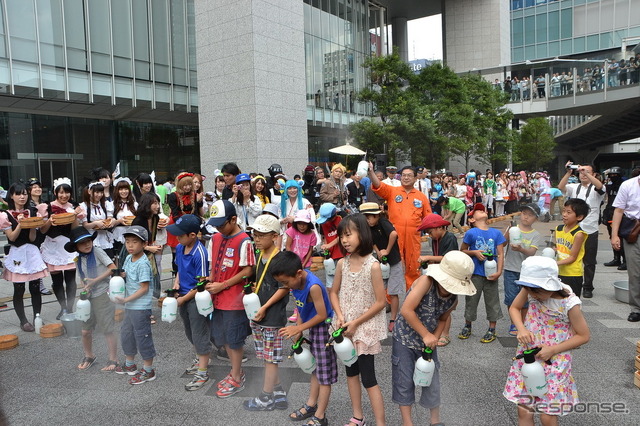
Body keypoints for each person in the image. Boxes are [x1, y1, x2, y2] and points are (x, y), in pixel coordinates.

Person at [503, 256, 590, 425]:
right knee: (524, 409)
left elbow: (584, 335)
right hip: (528, 356)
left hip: (555, 359)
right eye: (530, 291)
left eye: (538, 291)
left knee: (548, 414)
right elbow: (514, 307)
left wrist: (553, 349)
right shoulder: (530, 288)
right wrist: (521, 328)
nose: (534, 295)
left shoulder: (569, 303)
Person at [393, 251, 476, 426]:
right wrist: (426, 335)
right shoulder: (426, 282)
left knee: (431, 380)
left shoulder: (453, 298)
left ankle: (435, 421)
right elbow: (406, 310)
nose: (452, 289)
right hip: (405, 338)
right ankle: (407, 422)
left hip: (428, 340)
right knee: (404, 380)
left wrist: (434, 340)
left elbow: (442, 319)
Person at [328, 214, 387, 426]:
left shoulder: (373, 265)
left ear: (362, 234)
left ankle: (381, 422)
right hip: (344, 328)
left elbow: (381, 302)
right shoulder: (341, 263)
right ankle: (357, 417)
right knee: (351, 373)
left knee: (369, 378)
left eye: (348, 235)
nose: (344, 240)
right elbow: (333, 293)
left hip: (364, 330)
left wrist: (356, 322)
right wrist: (341, 316)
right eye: (342, 236)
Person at [272, 251, 337, 426]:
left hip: (324, 330)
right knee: (315, 370)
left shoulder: (313, 286)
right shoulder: (296, 284)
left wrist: (299, 327)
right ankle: (311, 404)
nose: (286, 286)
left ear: (299, 273)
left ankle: (321, 416)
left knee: (324, 375)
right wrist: (299, 329)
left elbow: (322, 314)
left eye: (286, 282)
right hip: (313, 328)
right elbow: (301, 307)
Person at [205, 200, 255, 398]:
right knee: (222, 337)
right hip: (217, 298)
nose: (218, 228)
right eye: (216, 225)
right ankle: (236, 371)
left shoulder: (244, 240)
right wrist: (209, 280)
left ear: (234, 219)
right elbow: (212, 265)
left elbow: (248, 270)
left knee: (234, 340)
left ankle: (236, 376)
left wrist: (222, 285)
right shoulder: (215, 238)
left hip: (234, 300)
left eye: (221, 224)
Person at [242, 215, 290, 411]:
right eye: (255, 234)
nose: (257, 239)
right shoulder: (261, 254)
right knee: (266, 357)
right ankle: (278, 390)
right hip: (260, 315)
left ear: (275, 236)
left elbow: (284, 287)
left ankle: (266, 397)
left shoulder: (280, 258)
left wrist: (263, 307)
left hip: (271, 317)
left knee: (270, 359)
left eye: (262, 235)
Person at [368, 164, 431, 290]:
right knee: (391, 267)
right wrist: (371, 172)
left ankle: (412, 297)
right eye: (404, 175)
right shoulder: (393, 191)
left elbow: (428, 218)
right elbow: (378, 185)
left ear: (415, 179)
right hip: (394, 237)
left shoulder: (421, 197)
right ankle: (389, 299)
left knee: (413, 267)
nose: (406, 178)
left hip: (413, 238)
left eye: (409, 175)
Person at [166, 214, 211, 391]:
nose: (177, 237)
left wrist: (184, 298)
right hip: (183, 295)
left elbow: (202, 282)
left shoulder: (199, 253)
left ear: (193, 235)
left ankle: (203, 372)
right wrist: (176, 283)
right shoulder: (179, 247)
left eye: (180, 234)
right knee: (189, 330)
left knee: (199, 332)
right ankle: (200, 359)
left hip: (195, 297)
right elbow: (179, 270)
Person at [64, 227, 118, 371]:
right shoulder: (78, 258)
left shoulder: (98, 251)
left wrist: (94, 281)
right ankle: (89, 355)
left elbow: (113, 268)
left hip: (102, 293)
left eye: (88, 241)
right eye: (82, 243)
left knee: (107, 329)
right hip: (88, 297)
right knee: (85, 331)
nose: (87, 245)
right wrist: (85, 286)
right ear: (76, 246)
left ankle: (113, 359)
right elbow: (82, 277)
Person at [0, 183, 49, 331]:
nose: (22, 197)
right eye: (18, 194)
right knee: (19, 289)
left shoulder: (33, 212)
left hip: (32, 252)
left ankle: (37, 317)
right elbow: (12, 238)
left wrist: (32, 226)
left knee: (35, 288)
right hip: (17, 253)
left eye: (24, 194)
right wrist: (21, 224)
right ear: (11, 196)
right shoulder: (5, 215)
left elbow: (33, 239)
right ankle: (23, 321)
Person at [113, 226, 157, 385]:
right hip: (129, 306)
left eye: (135, 242)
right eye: (127, 242)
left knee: (142, 337)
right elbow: (126, 275)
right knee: (127, 334)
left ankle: (148, 369)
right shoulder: (128, 258)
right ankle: (130, 364)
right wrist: (119, 278)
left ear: (144, 244)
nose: (130, 245)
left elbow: (144, 288)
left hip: (140, 307)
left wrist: (125, 300)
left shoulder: (143, 263)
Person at [459, 203, 506, 343]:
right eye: (477, 211)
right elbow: (462, 251)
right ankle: (468, 325)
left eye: (482, 210)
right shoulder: (471, 233)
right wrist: (474, 252)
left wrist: (499, 271)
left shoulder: (496, 233)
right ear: (472, 219)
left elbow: (501, 254)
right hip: (475, 273)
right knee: (471, 300)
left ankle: (492, 328)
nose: (481, 211)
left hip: (491, 273)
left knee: (492, 301)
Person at [38, 177, 84, 319]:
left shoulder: (74, 206)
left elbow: (75, 229)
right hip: (52, 246)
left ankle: (69, 307)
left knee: (70, 280)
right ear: (55, 192)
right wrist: (50, 221)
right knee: (57, 280)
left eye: (67, 192)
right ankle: (63, 308)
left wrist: (74, 216)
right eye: (61, 192)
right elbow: (43, 231)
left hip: (69, 247)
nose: (64, 195)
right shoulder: (46, 207)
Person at [558, 162, 604, 299]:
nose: (583, 174)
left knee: (589, 260)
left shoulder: (596, 188)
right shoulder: (575, 187)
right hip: (573, 229)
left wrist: (588, 174)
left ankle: (588, 286)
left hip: (590, 228)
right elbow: (561, 187)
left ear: (594, 174)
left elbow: (600, 186)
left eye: (587, 172)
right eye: (581, 172)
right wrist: (568, 172)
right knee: (569, 255)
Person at [417, 214, 459, 347]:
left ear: (439, 227)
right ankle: (439, 332)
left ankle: (445, 334)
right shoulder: (436, 239)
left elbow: (449, 258)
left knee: (446, 306)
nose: (429, 235)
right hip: (441, 274)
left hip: (449, 275)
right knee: (439, 305)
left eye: (430, 232)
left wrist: (428, 257)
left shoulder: (450, 237)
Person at [360, 202, 403, 332]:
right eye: (365, 217)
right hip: (380, 263)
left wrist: (387, 250)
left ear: (377, 216)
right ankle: (376, 319)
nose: (367, 220)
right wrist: (378, 250)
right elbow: (371, 240)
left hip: (394, 261)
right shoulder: (367, 227)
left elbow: (394, 235)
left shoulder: (384, 223)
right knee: (378, 291)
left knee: (393, 292)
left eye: (369, 217)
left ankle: (393, 319)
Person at [503, 204, 543, 336]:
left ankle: (524, 323)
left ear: (535, 219)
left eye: (530, 215)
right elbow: (502, 243)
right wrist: (507, 233)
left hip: (526, 271)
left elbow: (532, 252)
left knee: (524, 299)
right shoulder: (513, 229)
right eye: (524, 213)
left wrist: (521, 249)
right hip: (510, 268)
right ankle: (514, 323)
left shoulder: (535, 235)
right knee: (511, 298)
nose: (526, 217)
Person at [610, 170, 640, 322]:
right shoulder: (628, 185)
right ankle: (636, 308)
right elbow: (619, 210)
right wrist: (614, 235)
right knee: (634, 272)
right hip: (633, 231)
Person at [167, 172, 200, 277]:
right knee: (177, 251)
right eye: (185, 185)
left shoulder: (193, 195)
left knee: (191, 248)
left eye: (189, 184)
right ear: (180, 185)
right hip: (177, 223)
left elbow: (195, 212)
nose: (188, 187)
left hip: (190, 223)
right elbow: (175, 213)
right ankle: (177, 274)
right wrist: (184, 226)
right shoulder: (173, 196)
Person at [555, 199, 589, 298]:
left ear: (579, 217)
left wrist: (555, 263)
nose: (564, 214)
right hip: (559, 271)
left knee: (571, 303)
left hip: (572, 274)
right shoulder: (559, 229)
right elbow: (558, 247)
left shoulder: (578, 234)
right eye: (564, 211)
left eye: (569, 212)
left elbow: (572, 257)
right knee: (558, 301)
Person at [26, 177, 52, 296]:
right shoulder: (28, 204)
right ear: (29, 190)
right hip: (33, 234)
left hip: (43, 234)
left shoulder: (44, 202)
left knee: (41, 260)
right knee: (36, 260)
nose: (37, 189)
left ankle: (39, 284)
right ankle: (38, 285)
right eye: (34, 187)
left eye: (39, 187)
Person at [81, 182, 115, 258]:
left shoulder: (106, 204)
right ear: (89, 191)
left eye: (101, 192)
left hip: (105, 238)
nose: (99, 195)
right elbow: (85, 225)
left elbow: (110, 218)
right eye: (96, 192)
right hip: (92, 239)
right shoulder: (84, 206)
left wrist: (112, 221)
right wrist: (96, 223)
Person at [602, 167, 626, 270]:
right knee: (612, 236)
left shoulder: (624, 186)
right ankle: (616, 259)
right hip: (610, 212)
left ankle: (626, 260)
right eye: (611, 175)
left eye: (615, 175)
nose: (612, 177)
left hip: (621, 214)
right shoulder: (609, 186)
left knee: (621, 237)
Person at [316, 203, 344, 289]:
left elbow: (343, 235)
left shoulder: (341, 218)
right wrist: (325, 246)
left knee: (343, 279)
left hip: (342, 253)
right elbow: (324, 236)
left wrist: (329, 245)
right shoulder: (322, 223)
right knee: (330, 281)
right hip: (330, 255)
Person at [111, 177, 138, 260]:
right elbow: (110, 221)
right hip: (118, 235)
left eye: (126, 189)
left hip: (132, 233)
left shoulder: (134, 204)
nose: (124, 191)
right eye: (121, 189)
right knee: (120, 258)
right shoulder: (112, 204)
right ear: (117, 191)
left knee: (133, 257)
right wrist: (119, 221)